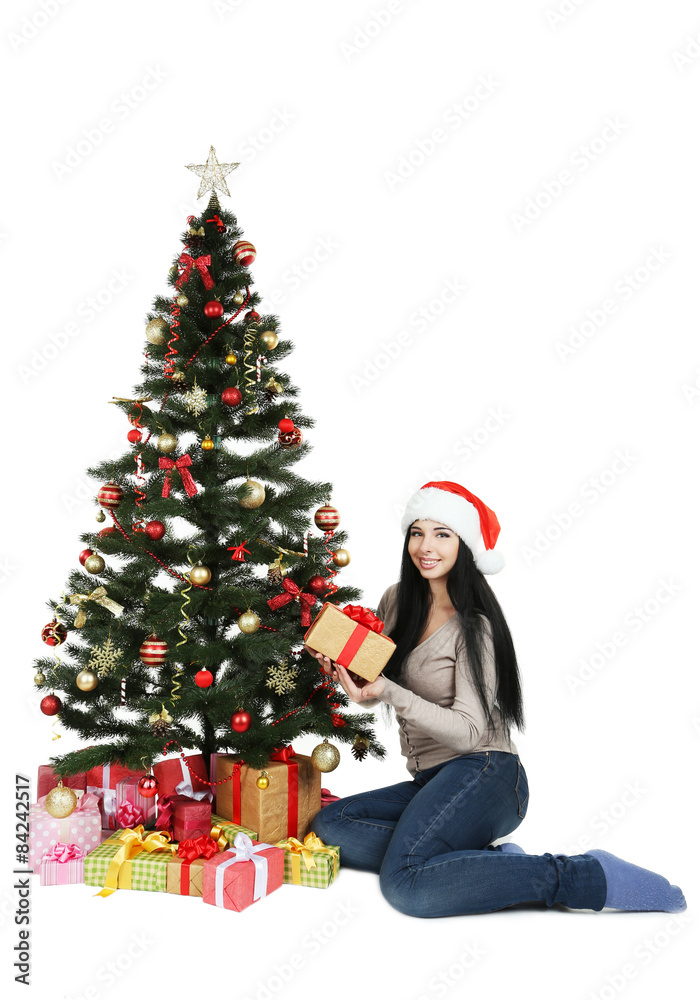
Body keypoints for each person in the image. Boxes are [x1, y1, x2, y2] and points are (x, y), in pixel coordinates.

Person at [306, 481, 687, 918]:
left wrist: (390, 691)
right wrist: (349, 677)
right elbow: (379, 684)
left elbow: (469, 734)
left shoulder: (475, 626)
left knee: (406, 885)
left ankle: (584, 876)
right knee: (332, 826)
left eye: (442, 534)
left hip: (488, 772)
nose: (425, 546)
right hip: (430, 780)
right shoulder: (396, 600)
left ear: (464, 545)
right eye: (417, 532)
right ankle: (483, 864)